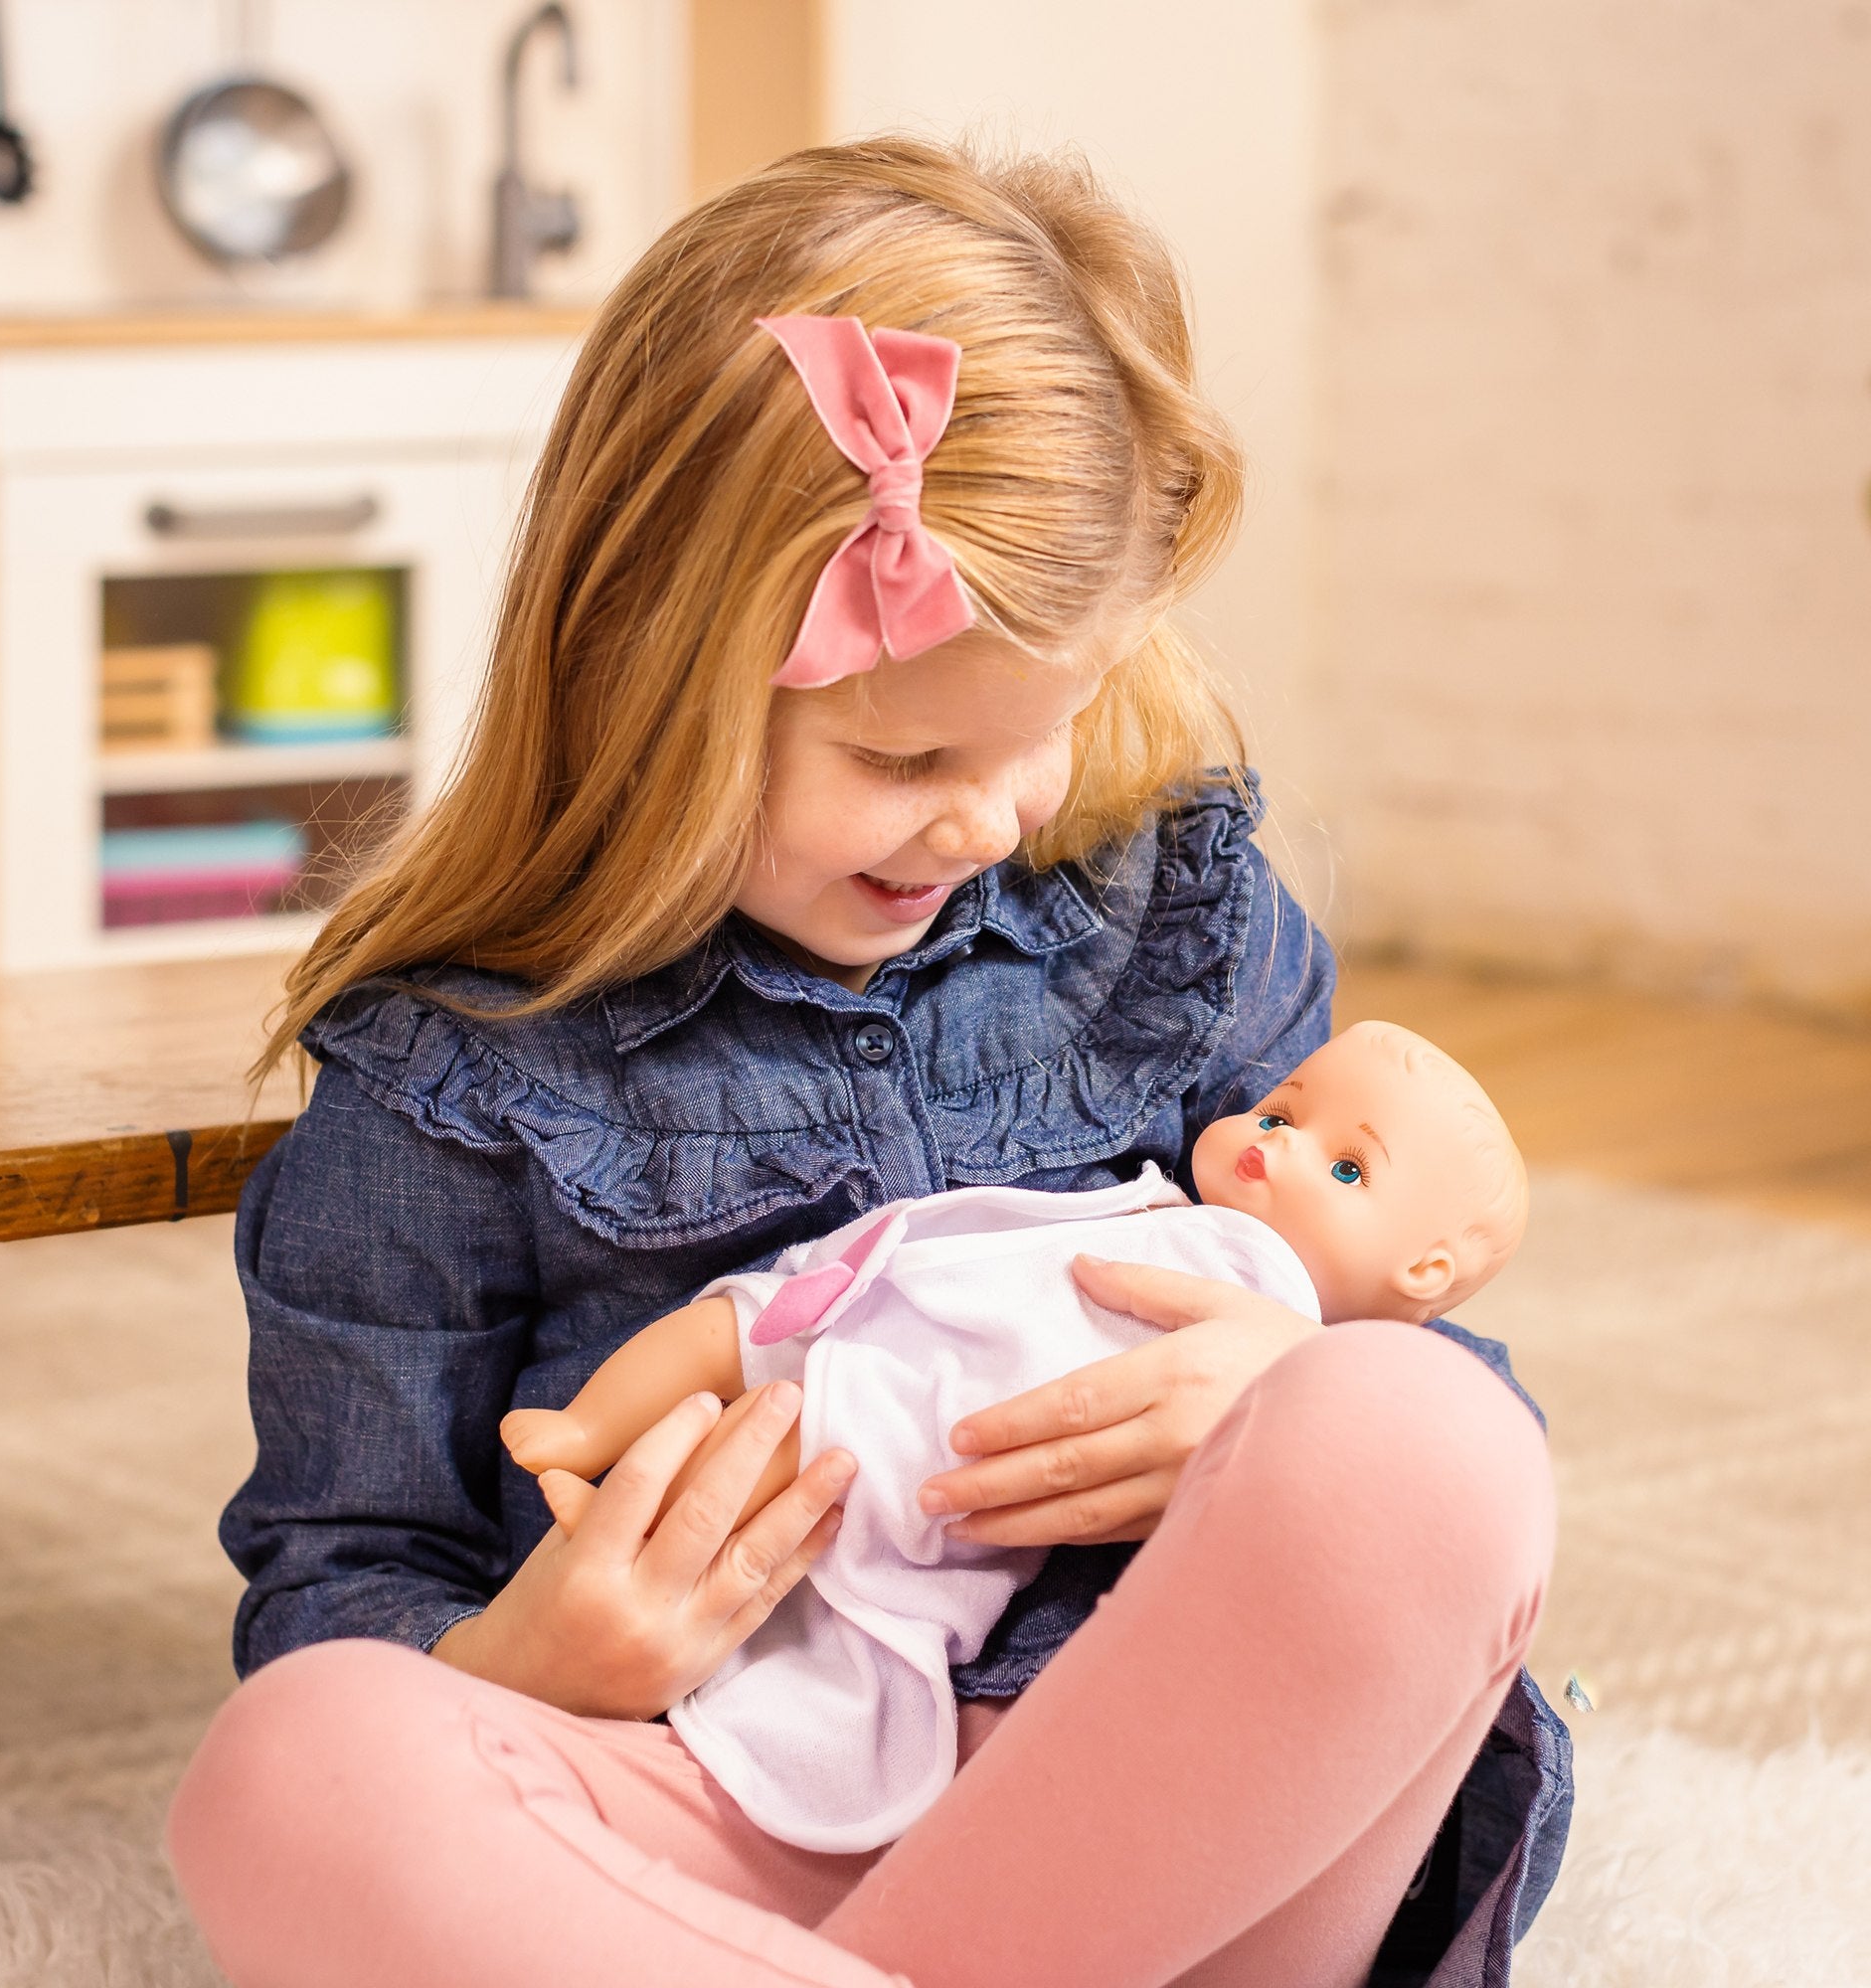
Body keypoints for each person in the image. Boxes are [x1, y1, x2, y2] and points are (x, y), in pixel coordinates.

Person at [166, 137, 1570, 1988]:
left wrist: (1278, 1377)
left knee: (1429, 1434)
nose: (988, 820)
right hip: (707, 1830)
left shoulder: (1170, 919)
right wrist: (526, 1662)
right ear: (650, 676)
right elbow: (340, 1585)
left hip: (1170, 1794)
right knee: (294, 1767)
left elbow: (1398, 1378)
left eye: (1049, 731)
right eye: (907, 764)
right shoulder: (447, 1076)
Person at [504, 1020, 1531, 1853]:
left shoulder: (1280, 1317)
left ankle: (620, 1529)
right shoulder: (1163, 1205)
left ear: (1422, 1275)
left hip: (923, 1437)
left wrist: (1307, 1395)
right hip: (875, 1323)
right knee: (715, 1332)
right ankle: (585, 1428)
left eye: (1346, 1169)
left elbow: (1459, 1466)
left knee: (763, 1457)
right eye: (1278, 1110)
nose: (1279, 1141)